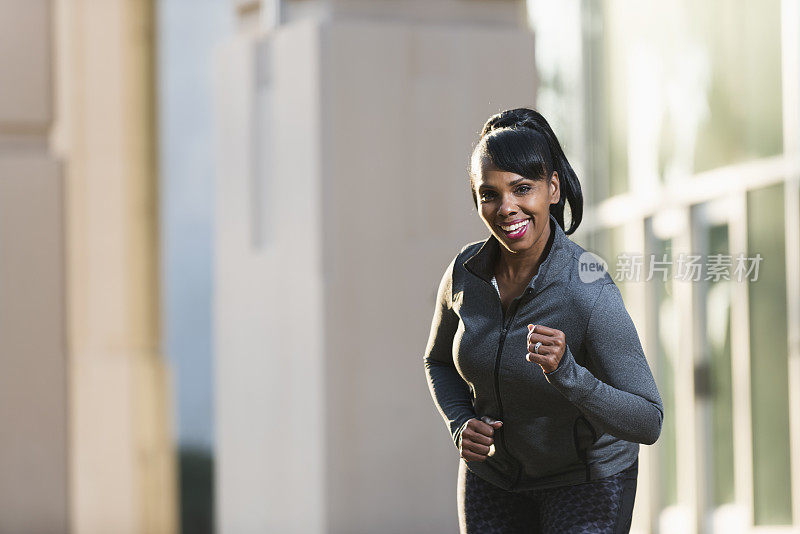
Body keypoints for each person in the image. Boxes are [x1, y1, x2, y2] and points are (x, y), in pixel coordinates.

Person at [423, 108, 664, 533]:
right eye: (489, 194)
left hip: (585, 482)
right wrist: (460, 423)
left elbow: (648, 420)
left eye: (522, 189)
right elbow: (438, 362)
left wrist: (568, 373)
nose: (507, 208)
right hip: (494, 480)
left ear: (552, 188)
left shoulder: (587, 287)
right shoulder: (465, 273)